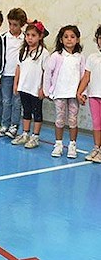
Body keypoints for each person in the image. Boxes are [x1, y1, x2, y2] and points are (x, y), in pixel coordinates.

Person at [44, 25, 85, 158]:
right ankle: (58, 144)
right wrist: (48, 90)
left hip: (74, 94)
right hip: (60, 93)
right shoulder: (56, 56)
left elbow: (84, 76)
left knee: (73, 120)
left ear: (77, 40)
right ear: (61, 40)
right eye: (66, 37)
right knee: (60, 119)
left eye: (72, 37)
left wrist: (83, 93)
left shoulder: (80, 57)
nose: (69, 40)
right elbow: (48, 73)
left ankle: (72, 145)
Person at [10, 21, 49, 149]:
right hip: (23, 87)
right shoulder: (23, 51)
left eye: (33, 35)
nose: (30, 38)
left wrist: (43, 88)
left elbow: (46, 72)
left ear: (40, 37)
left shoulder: (44, 53)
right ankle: (25, 133)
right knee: (26, 111)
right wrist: (16, 84)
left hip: (35, 88)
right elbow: (18, 68)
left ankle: (35, 136)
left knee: (37, 112)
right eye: (27, 35)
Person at [0, 8, 27, 139]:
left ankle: (14, 126)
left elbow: (43, 33)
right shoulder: (4, 38)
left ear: (22, 25)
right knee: (6, 101)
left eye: (16, 25)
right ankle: (4, 124)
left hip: (20, 76)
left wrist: (30, 21)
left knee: (17, 101)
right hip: (6, 74)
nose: (12, 27)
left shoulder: (26, 38)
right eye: (10, 24)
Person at [77, 25, 101, 163]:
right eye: (100, 38)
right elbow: (86, 77)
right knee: (97, 124)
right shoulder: (92, 58)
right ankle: (96, 148)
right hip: (94, 96)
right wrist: (79, 92)